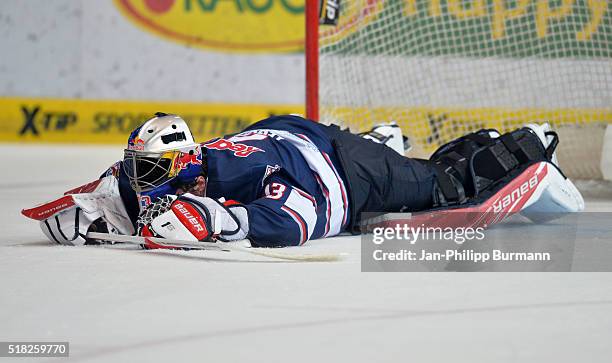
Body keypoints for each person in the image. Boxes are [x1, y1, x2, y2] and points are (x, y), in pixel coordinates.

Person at [23, 113, 585, 248]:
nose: (140, 181)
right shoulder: (178, 169)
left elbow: (306, 215)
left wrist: (225, 221)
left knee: (442, 188)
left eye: (151, 170)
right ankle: (382, 139)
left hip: (342, 169)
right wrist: (89, 205)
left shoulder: (235, 173)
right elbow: (124, 182)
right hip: (294, 131)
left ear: (182, 167)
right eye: (137, 167)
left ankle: (529, 148)